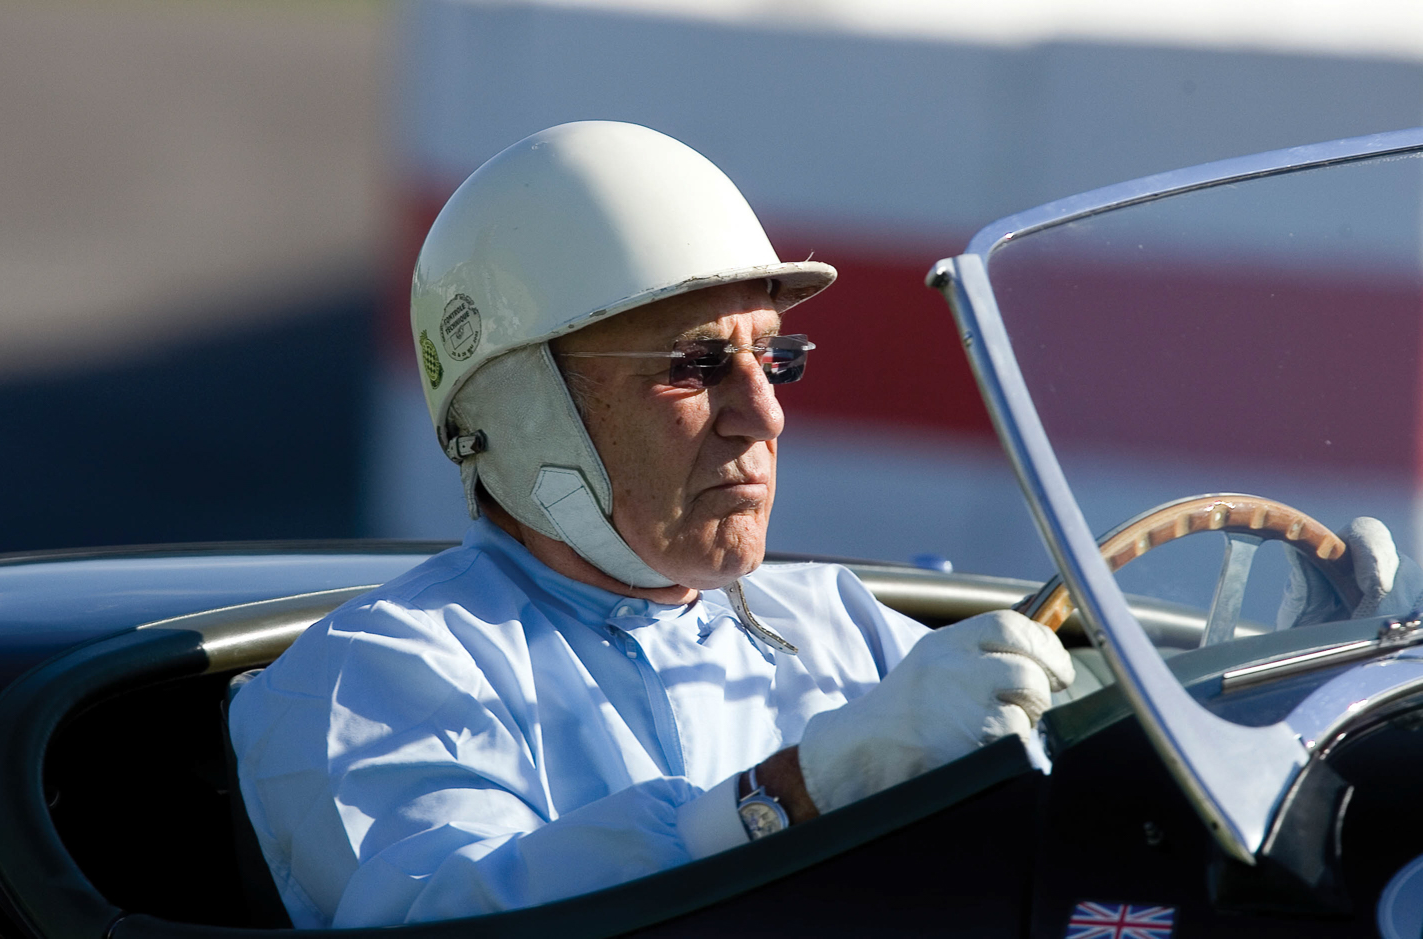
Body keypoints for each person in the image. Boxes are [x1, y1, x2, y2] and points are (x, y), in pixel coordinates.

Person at [226, 121, 1409, 930]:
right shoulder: (385, 670)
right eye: (696, 366)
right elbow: (451, 915)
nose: (766, 413)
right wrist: (796, 789)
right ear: (520, 405)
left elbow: (1072, 809)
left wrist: (1284, 676)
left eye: (774, 356)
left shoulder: (832, 621)